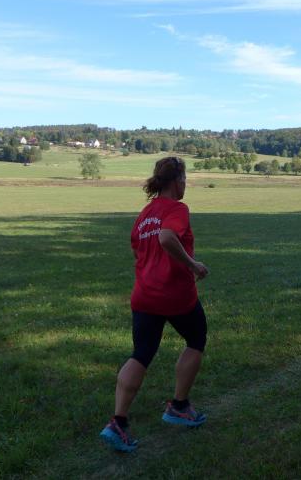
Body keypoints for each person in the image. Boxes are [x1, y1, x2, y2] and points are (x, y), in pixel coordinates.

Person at [100, 157, 210, 452]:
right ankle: (179, 406)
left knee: (142, 353)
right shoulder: (177, 209)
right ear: (176, 181)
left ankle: (118, 423)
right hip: (175, 295)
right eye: (185, 179)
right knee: (196, 338)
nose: (186, 185)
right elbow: (166, 237)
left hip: (144, 295)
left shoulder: (145, 214)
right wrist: (193, 265)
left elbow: (138, 250)